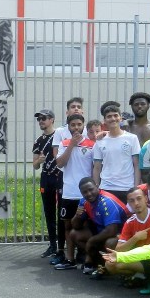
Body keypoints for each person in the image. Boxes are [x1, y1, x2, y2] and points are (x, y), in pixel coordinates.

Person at [104, 186, 150, 298]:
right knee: (110, 264)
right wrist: (135, 238)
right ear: (129, 204)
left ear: (146, 199)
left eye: (139, 198)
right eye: (132, 201)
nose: (136, 203)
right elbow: (118, 250)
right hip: (144, 259)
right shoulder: (130, 222)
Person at [52, 112, 95, 269]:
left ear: (83, 126)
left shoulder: (91, 144)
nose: (76, 128)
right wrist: (71, 145)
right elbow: (60, 163)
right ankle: (69, 259)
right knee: (68, 227)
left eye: (79, 124)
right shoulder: (64, 143)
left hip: (86, 195)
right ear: (68, 127)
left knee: (87, 227)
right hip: (69, 193)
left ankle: (88, 260)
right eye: (73, 125)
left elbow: (95, 168)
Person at [72, 176, 127, 277]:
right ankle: (99, 263)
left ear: (97, 186)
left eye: (91, 189)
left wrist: (92, 241)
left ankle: (108, 267)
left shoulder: (107, 202)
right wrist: (77, 216)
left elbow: (112, 230)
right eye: (84, 192)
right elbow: (76, 226)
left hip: (121, 234)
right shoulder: (83, 202)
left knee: (110, 242)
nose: (88, 194)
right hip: (102, 231)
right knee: (75, 234)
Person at [91, 105, 141, 204]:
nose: (113, 118)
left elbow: (137, 165)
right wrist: (96, 188)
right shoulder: (100, 141)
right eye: (109, 116)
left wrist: (135, 187)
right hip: (106, 187)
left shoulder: (132, 138)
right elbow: (96, 168)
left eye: (115, 115)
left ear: (120, 118)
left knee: (126, 219)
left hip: (127, 187)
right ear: (104, 120)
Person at [32, 108, 63, 259]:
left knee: (62, 212)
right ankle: (52, 245)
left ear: (52, 120)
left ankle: (63, 247)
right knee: (49, 212)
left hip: (59, 177)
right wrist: (39, 160)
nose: (41, 121)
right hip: (46, 177)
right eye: (39, 119)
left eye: (44, 118)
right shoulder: (38, 141)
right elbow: (35, 165)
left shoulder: (60, 135)